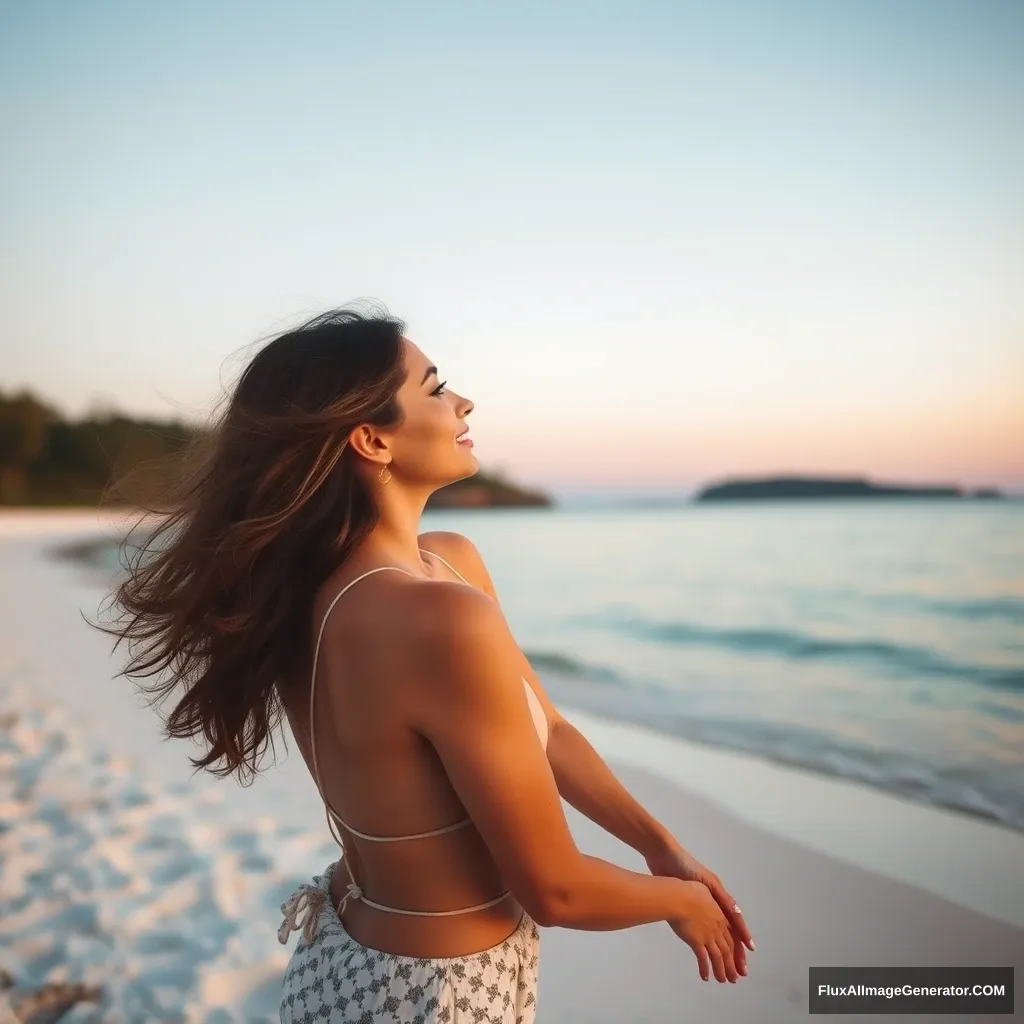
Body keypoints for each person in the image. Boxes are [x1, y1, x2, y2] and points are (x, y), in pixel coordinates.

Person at [104, 305, 754, 1023]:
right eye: (437, 387)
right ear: (372, 439)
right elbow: (556, 889)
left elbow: (551, 734)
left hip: (340, 958)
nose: (463, 402)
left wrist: (662, 848)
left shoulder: (385, 575)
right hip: (432, 994)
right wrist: (682, 903)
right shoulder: (437, 620)